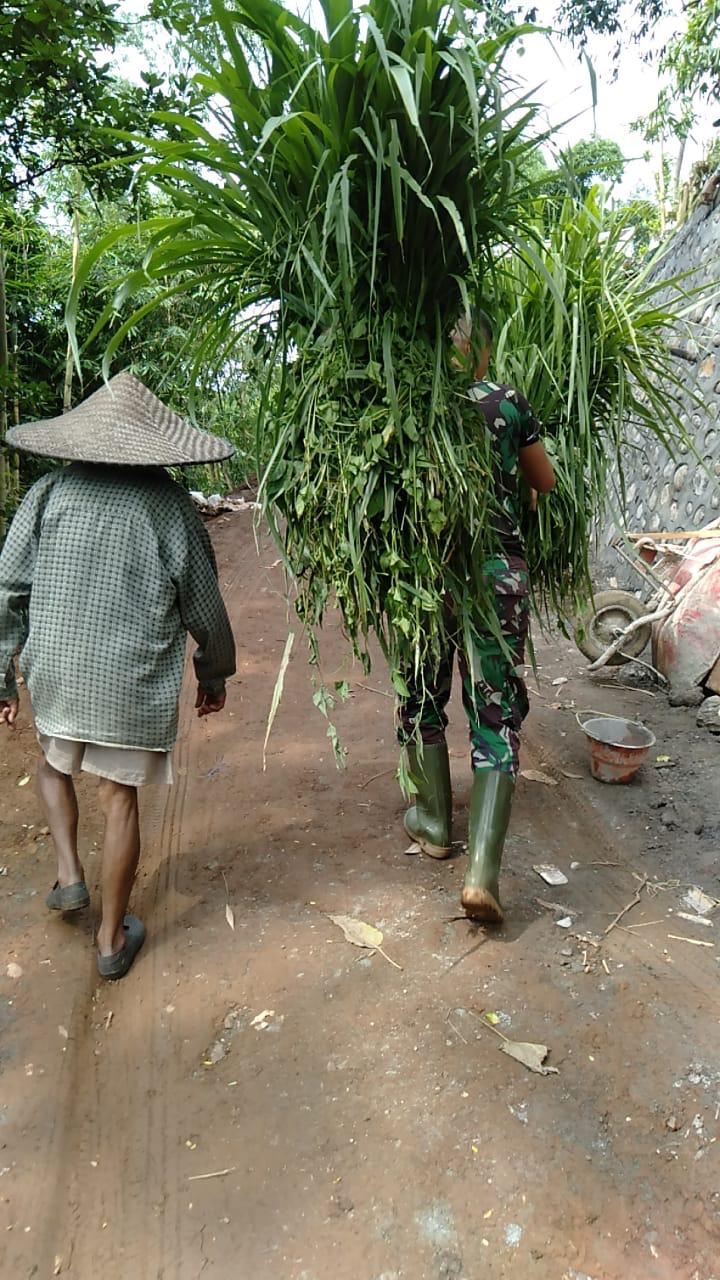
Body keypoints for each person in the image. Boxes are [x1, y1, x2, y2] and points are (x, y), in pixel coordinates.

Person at [0, 372, 236, 979]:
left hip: (57, 673)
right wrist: (213, 673)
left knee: (52, 768)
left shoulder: (48, 492)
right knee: (118, 798)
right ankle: (110, 940)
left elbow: (8, 589)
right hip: (129, 683)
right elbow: (204, 605)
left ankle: (70, 874)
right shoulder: (169, 505)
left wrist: (3, 676)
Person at [399, 309, 555, 924]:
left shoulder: (415, 405)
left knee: (422, 694)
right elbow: (545, 478)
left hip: (428, 578)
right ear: (483, 349)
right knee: (495, 712)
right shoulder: (507, 402)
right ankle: (482, 874)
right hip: (497, 578)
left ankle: (434, 823)